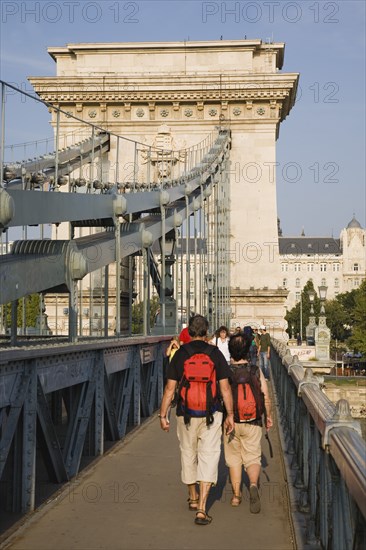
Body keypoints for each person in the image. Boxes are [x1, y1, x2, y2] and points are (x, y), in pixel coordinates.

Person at [158, 314, 234, 526]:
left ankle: (192, 496)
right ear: (207, 331)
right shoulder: (216, 354)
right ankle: (202, 508)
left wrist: (163, 415)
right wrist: (231, 415)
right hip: (212, 413)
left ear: (189, 332)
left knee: (188, 453)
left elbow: (170, 389)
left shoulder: (180, 354)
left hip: (185, 413)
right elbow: (225, 389)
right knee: (209, 456)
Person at [223, 332, 273, 513]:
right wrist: (268, 415)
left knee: (234, 459)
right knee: (252, 456)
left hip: (231, 421)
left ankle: (236, 496)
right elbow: (265, 395)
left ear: (230, 351)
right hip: (253, 420)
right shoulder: (255, 371)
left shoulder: (226, 372)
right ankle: (253, 484)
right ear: (248, 351)